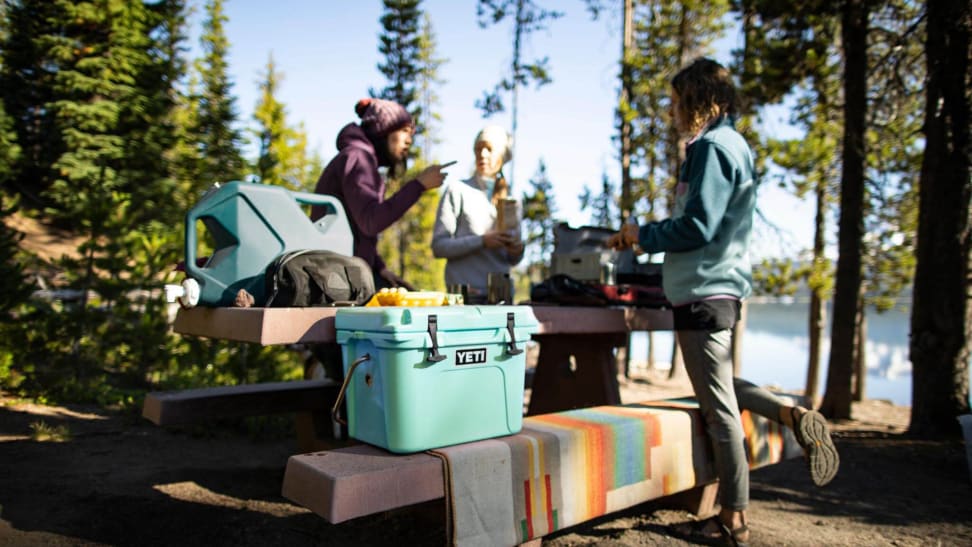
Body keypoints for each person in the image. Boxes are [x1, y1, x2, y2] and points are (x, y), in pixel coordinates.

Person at [606, 58, 839, 547]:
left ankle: (732, 520)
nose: (671, 111)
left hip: (704, 290)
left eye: (675, 101)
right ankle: (793, 415)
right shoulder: (733, 145)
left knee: (719, 411)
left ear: (698, 98)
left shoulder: (712, 148)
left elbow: (698, 226)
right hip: (717, 287)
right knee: (720, 387)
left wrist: (640, 234)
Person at [311, 98, 450, 290]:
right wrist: (418, 185)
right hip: (337, 278)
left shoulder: (362, 160)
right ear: (382, 131)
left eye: (411, 134)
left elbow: (359, 231)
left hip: (346, 271)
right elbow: (371, 221)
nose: (409, 140)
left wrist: (380, 268)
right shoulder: (358, 158)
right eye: (404, 131)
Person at [431, 125, 524, 302]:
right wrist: (482, 241)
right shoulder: (457, 190)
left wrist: (516, 249)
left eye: (489, 149)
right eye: (478, 149)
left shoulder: (513, 199)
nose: (482, 155)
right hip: (463, 298)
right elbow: (439, 247)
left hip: (501, 298)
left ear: (502, 155)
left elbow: (513, 259)